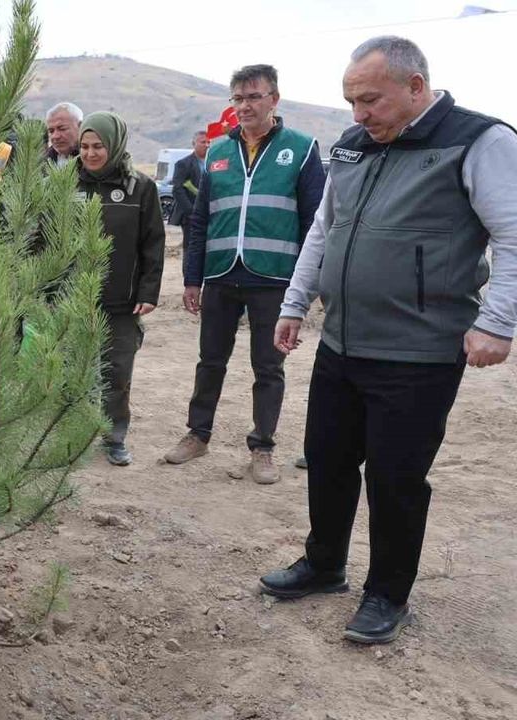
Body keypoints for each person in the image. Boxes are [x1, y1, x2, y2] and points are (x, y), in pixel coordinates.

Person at [259, 36, 517, 644]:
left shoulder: (479, 141)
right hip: (342, 342)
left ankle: (387, 594)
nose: (358, 115)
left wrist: (498, 322)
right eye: (350, 101)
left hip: (419, 352)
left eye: (370, 100)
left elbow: (513, 237)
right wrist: (295, 303)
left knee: (396, 479)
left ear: (416, 87)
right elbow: (324, 231)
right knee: (326, 460)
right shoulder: (352, 147)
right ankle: (324, 565)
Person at [165, 64, 325, 485]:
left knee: (268, 368)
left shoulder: (302, 149)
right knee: (210, 361)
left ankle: (263, 447)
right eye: (238, 98)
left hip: (274, 279)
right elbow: (199, 222)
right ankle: (198, 435)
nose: (245, 105)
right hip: (220, 275)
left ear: (274, 98)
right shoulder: (216, 153)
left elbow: (316, 225)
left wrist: (304, 288)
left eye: (254, 96)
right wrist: (191, 278)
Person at [74, 112, 165, 466]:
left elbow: (153, 244)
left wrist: (147, 292)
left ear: (115, 145)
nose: (91, 153)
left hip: (121, 302)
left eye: (99, 146)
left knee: (116, 372)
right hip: (74, 298)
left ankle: (113, 438)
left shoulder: (140, 188)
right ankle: (73, 436)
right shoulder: (65, 184)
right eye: (84, 146)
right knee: (74, 371)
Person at [169, 130, 210, 251]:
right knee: (191, 248)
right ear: (194, 143)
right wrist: (192, 212)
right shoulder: (183, 164)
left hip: (209, 214)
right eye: (203, 142)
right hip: (190, 216)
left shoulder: (213, 163)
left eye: (209, 142)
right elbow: (177, 190)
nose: (207, 145)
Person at [45, 101, 83, 166]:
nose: (55, 136)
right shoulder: (42, 163)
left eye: (62, 129)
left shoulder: (92, 161)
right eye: (51, 131)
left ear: (80, 127)